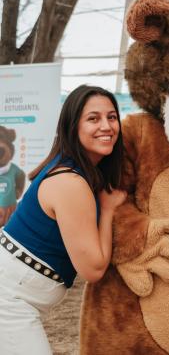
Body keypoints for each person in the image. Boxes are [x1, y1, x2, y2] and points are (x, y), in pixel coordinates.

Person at [0, 85, 127, 355]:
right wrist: (107, 210)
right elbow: (93, 269)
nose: (106, 126)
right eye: (93, 118)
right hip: (8, 301)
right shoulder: (70, 181)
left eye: (112, 117)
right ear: (73, 126)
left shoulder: (80, 171)